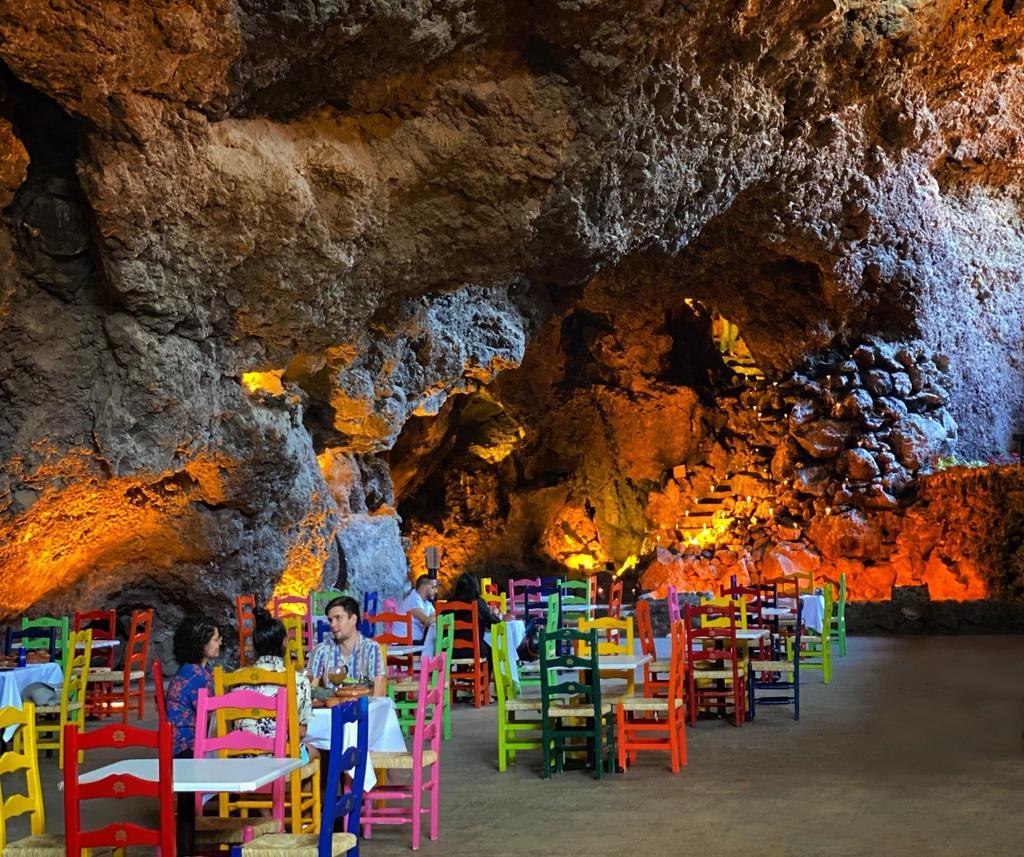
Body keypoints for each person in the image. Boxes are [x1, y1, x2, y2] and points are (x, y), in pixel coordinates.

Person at [237, 609, 319, 766]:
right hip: (280, 760)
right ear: (284, 643)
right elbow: (300, 732)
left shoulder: (235, 679)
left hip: (241, 762)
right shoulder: (298, 680)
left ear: (254, 645)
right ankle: (293, 790)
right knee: (315, 754)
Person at [166, 615, 221, 757]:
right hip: (186, 748)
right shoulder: (196, 677)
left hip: (180, 742)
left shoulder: (196, 669)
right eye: (215, 639)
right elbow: (212, 717)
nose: (220, 642)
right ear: (202, 644)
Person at [309, 596, 387, 696]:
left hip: (364, 709)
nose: (332, 624)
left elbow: (379, 694)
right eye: (330, 620)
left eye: (338, 618)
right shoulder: (321, 650)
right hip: (331, 709)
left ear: (353, 619)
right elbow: (310, 690)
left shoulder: (371, 648)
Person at [450, 571, 501, 660]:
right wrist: (496, 616)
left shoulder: (448, 603)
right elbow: (492, 623)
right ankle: (486, 674)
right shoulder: (477, 603)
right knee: (492, 651)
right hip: (473, 649)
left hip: (450, 650)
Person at [399, 574, 437, 644]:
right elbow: (426, 621)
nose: (436, 591)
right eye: (433, 587)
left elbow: (434, 617)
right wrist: (443, 616)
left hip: (413, 642)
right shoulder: (414, 600)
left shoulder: (427, 603)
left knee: (436, 643)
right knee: (434, 645)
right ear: (423, 587)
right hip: (403, 644)